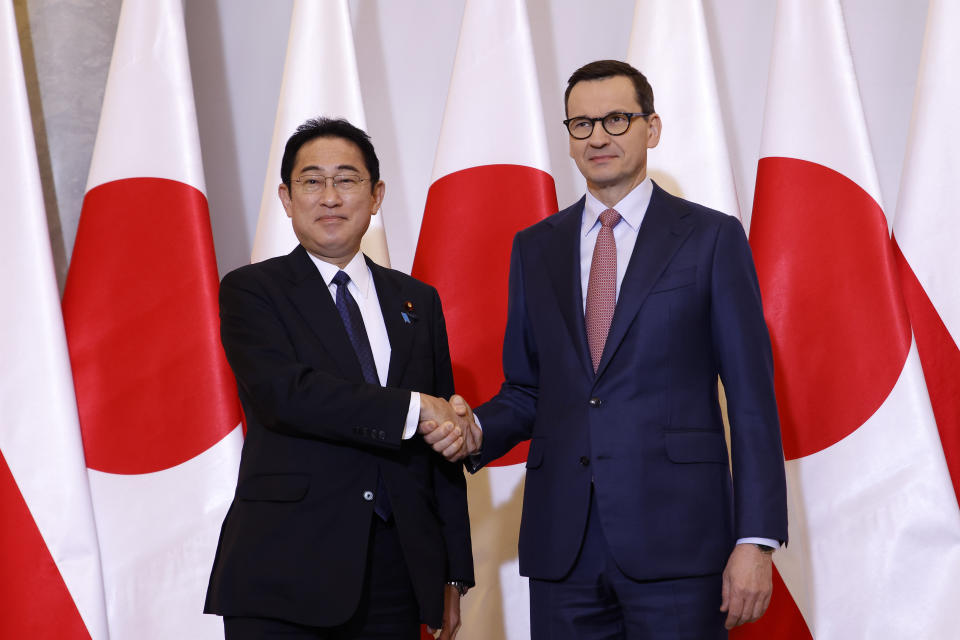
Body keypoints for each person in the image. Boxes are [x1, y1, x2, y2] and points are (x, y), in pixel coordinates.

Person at [454, 59, 788, 638]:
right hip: (564, 548)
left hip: (680, 544)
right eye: (581, 124)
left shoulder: (711, 238)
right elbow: (530, 387)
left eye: (615, 118)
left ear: (651, 128)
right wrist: (474, 430)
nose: (598, 136)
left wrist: (755, 539)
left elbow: (752, 398)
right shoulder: (535, 248)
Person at [204, 117, 474, 640]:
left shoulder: (416, 300)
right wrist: (416, 409)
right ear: (286, 198)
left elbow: (440, 448)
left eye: (347, 180)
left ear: (375, 196)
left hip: (397, 574)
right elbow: (287, 396)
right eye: (311, 181)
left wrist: (452, 570)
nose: (329, 196)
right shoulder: (252, 291)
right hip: (284, 572)